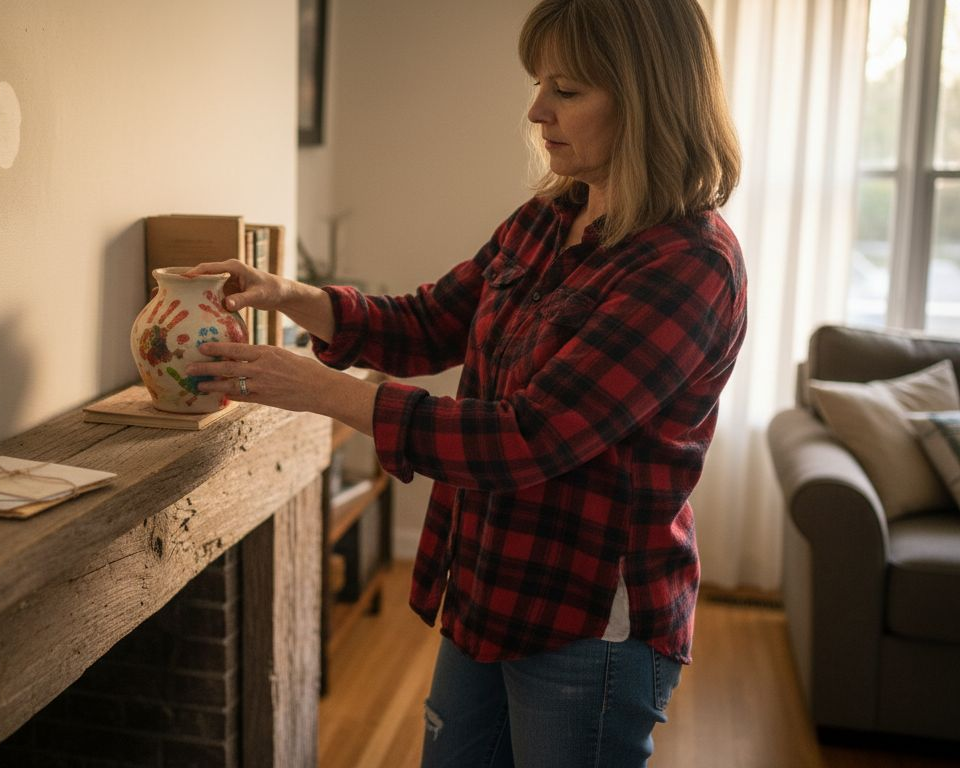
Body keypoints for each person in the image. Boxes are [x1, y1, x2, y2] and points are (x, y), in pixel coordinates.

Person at [183, 0, 745, 764]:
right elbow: (429, 321)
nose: (537, 110)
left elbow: (524, 438)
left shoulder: (688, 264)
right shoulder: (548, 218)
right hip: (489, 585)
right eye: (539, 83)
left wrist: (319, 391)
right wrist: (290, 296)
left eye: (566, 90)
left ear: (648, 97)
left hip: (587, 624)